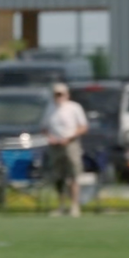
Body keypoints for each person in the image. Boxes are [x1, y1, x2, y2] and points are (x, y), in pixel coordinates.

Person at [44, 83, 89, 217]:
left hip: (71, 145)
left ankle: (75, 206)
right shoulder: (49, 108)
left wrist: (69, 138)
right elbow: (44, 128)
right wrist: (50, 137)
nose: (58, 97)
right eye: (56, 94)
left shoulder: (74, 108)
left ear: (67, 95)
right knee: (58, 177)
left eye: (61, 94)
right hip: (55, 146)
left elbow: (83, 127)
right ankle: (61, 206)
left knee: (73, 176)